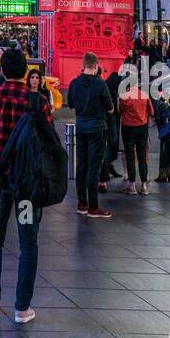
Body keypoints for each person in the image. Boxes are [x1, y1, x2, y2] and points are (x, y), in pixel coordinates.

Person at [0, 48, 39, 321]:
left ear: (1, 70)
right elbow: (47, 142)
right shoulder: (35, 101)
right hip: (26, 187)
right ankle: (22, 308)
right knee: (28, 242)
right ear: (26, 72)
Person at [67, 52, 114, 219]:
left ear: (84, 65)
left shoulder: (74, 83)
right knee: (94, 168)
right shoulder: (100, 84)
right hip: (97, 128)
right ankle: (93, 206)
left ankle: (82, 204)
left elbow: (70, 104)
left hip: (81, 128)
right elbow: (110, 107)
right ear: (95, 66)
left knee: (81, 166)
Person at [118, 69, 154, 195]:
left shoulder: (124, 96)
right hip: (142, 127)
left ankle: (132, 185)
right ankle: (144, 186)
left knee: (130, 155)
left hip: (128, 127)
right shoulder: (144, 95)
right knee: (142, 156)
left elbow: (120, 111)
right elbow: (152, 112)